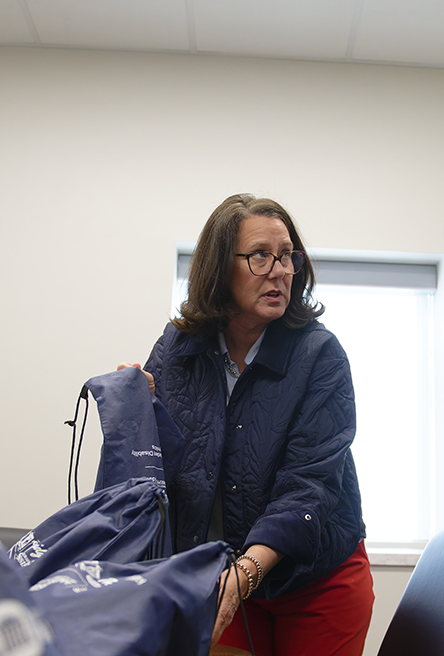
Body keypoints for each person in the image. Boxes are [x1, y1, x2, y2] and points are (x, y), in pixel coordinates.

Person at [118, 194, 373, 655]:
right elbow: (160, 466)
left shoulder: (319, 355)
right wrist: (138, 407)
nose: (280, 270)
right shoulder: (180, 346)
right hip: (224, 575)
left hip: (315, 580)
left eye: (288, 255)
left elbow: (308, 484)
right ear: (220, 267)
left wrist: (244, 575)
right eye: (260, 255)